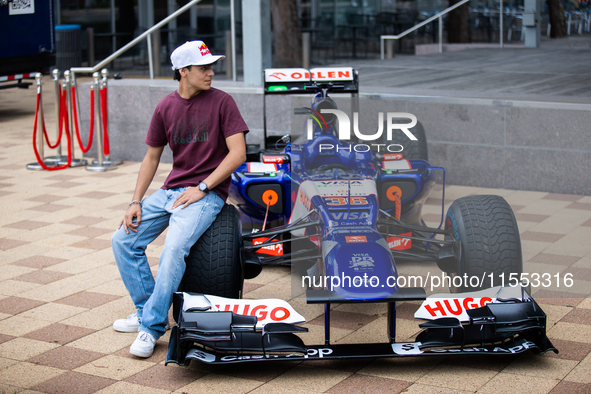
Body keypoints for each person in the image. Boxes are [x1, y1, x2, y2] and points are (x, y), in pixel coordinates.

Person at [110, 40, 248, 358]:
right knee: (122, 240)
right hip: (171, 191)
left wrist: (203, 186)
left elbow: (237, 153)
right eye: (203, 68)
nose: (211, 72)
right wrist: (135, 201)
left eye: (212, 66)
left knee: (174, 248)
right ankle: (146, 310)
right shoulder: (165, 108)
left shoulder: (223, 102)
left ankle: (151, 327)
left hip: (206, 194)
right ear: (183, 72)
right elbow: (151, 158)